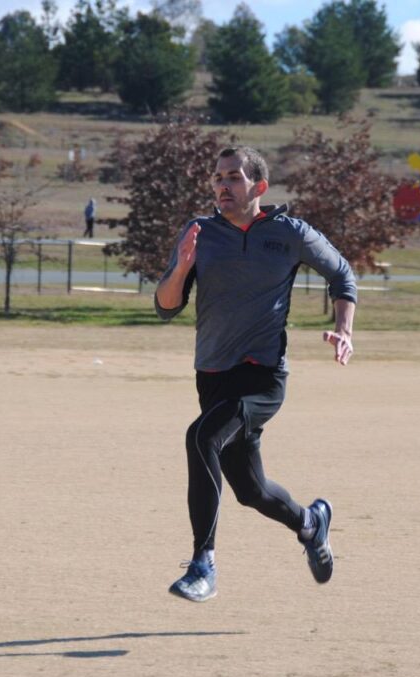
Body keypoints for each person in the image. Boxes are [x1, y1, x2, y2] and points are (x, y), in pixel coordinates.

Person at [155, 146, 357, 603]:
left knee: (201, 438)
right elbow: (167, 306)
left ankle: (202, 564)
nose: (223, 186)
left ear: (258, 187)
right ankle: (310, 523)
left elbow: (342, 274)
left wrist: (344, 330)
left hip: (263, 376)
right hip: (212, 375)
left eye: (234, 178)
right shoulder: (199, 232)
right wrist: (183, 267)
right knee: (250, 490)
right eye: (218, 178)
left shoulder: (290, 233)